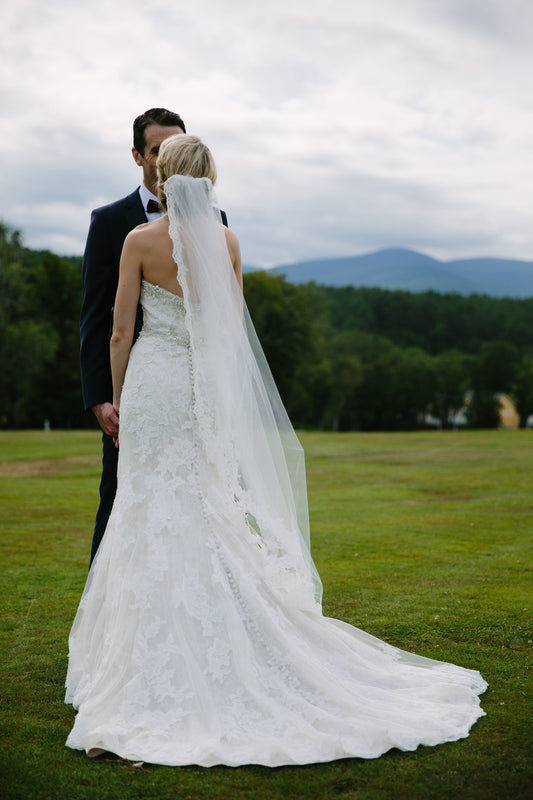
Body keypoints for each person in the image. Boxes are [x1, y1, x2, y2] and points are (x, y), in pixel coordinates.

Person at [65, 135, 487, 767]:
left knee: (147, 506)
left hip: (152, 386)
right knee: (206, 505)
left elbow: (121, 329)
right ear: (209, 178)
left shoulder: (138, 242)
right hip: (200, 388)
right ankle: (226, 640)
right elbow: (230, 332)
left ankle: (148, 663)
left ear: (163, 175)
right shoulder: (227, 243)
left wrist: (120, 397)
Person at [80, 108, 228, 565]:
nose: (166, 156)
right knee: (120, 496)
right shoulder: (110, 222)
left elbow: (123, 332)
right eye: (158, 149)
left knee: (198, 496)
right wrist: (102, 397)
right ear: (139, 156)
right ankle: (107, 608)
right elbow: (96, 318)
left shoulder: (214, 222)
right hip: (138, 386)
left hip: (159, 381)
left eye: (173, 147)